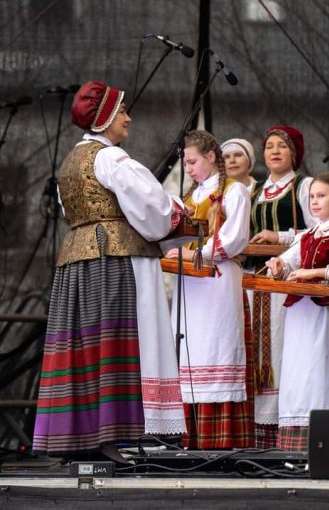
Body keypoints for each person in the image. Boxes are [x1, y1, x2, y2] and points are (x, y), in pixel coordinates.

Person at [33, 81, 186, 456]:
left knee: (85, 344)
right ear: (103, 118)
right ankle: (123, 431)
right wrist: (178, 211)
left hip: (77, 262)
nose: (128, 118)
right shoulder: (112, 159)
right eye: (121, 111)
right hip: (117, 260)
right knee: (122, 339)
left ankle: (80, 435)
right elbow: (154, 210)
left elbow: (71, 211)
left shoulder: (70, 163)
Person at [166, 129, 252, 449]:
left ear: (211, 157)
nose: (188, 168)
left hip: (217, 281)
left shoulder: (234, 191)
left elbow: (235, 237)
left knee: (216, 348)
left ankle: (220, 441)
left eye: (192, 162)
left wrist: (195, 254)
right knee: (189, 349)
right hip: (189, 284)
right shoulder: (189, 198)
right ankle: (187, 438)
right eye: (185, 163)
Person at [265, 172, 329, 452]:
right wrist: (278, 265)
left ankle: (323, 439)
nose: (315, 201)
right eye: (312, 197)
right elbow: (288, 261)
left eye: (322, 196)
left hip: (323, 314)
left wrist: (314, 273)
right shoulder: (308, 235)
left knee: (319, 368)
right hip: (300, 313)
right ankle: (294, 442)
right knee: (297, 369)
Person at [246, 126, 315, 449]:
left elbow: (320, 230)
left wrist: (280, 237)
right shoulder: (254, 191)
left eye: (282, 146)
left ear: (294, 154)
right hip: (253, 280)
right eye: (269, 146)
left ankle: (284, 430)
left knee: (282, 346)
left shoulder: (305, 186)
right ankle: (255, 433)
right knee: (256, 346)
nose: (274, 151)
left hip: (286, 280)